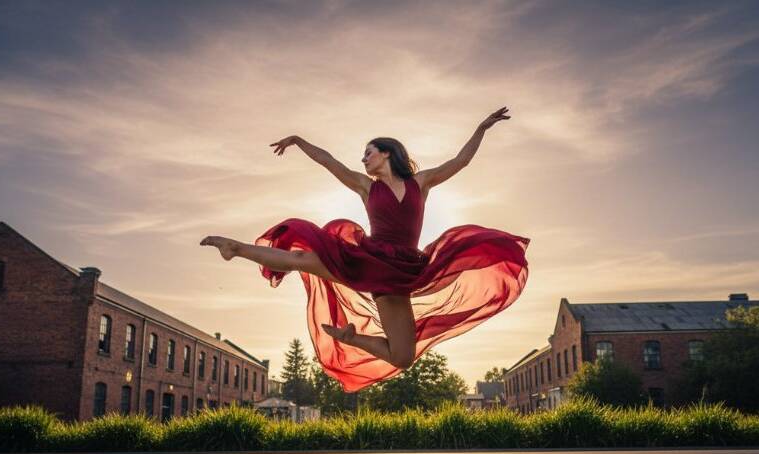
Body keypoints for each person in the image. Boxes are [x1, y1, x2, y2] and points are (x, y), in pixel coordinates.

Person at [201, 106, 530, 392]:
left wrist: (482, 128)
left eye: (368, 152)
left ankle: (351, 338)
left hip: (401, 273)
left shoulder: (421, 182)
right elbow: (329, 162)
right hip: (368, 263)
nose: (363, 158)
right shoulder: (365, 186)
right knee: (301, 258)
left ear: (386, 153)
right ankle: (235, 248)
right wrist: (299, 141)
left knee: (403, 357)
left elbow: (461, 161)